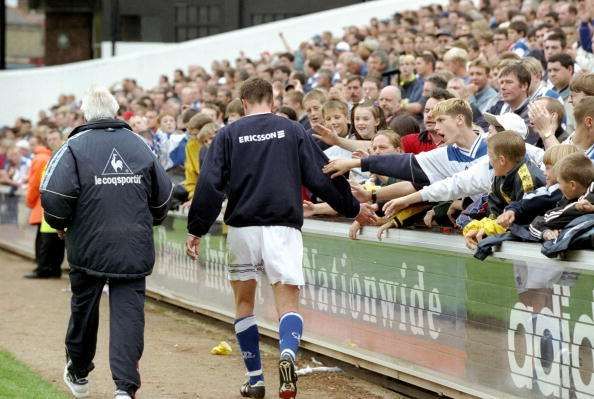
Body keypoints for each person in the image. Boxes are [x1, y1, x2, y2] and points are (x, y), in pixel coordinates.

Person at [185, 78, 361, 399]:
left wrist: (196, 228)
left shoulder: (227, 134)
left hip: (242, 228)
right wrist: (351, 207)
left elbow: (210, 185)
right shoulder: (292, 130)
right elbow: (320, 175)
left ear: (243, 101)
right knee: (288, 302)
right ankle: (287, 356)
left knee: (243, 303)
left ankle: (255, 379)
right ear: (274, 100)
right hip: (283, 226)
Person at [40, 87, 173, 399]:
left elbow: (54, 196)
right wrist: (148, 218)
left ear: (85, 115)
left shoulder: (72, 147)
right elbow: (164, 195)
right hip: (132, 246)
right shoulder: (140, 146)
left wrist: (60, 225)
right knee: (129, 315)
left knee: (84, 310)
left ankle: (79, 370)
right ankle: (125, 388)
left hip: (87, 245)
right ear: (116, 112)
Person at [464, 131, 545, 249]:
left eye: (490, 157)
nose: (489, 162)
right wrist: (481, 226)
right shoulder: (499, 176)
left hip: (534, 243)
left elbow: (523, 220)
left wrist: (488, 229)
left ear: (502, 160)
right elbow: (495, 212)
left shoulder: (527, 179)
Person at [529, 152, 594, 240]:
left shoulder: (583, 203)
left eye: (559, 183)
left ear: (572, 185)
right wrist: (546, 232)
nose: (559, 188)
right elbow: (539, 222)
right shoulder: (570, 199)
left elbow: (548, 219)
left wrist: (577, 208)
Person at [24, 130, 56, 279]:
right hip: (46, 204)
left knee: (44, 240)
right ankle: (51, 268)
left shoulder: (39, 158)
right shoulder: (47, 156)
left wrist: (29, 202)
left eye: (32, 144)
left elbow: (34, 184)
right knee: (51, 241)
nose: (30, 147)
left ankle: (43, 268)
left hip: (41, 205)